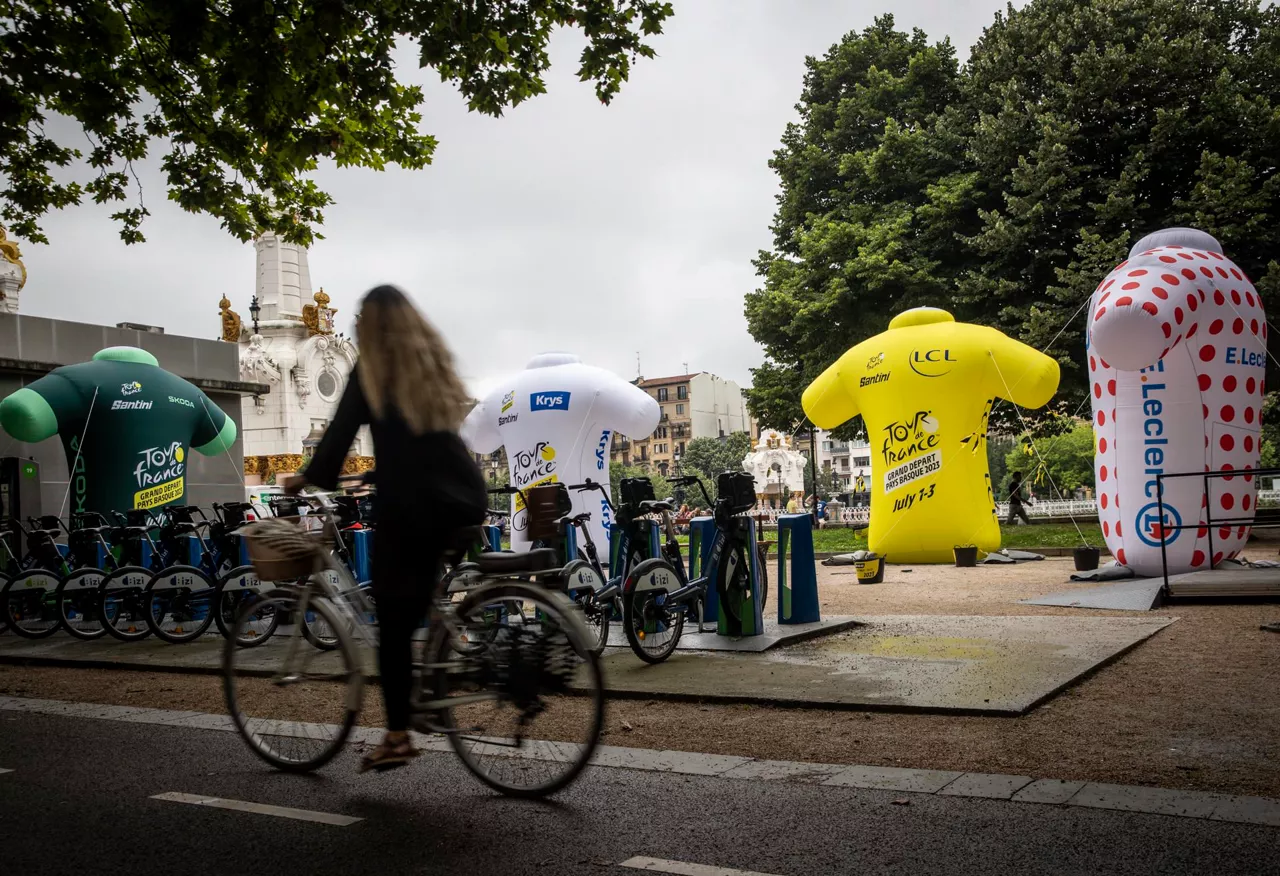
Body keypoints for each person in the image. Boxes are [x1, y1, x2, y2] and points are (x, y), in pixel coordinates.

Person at [286, 284, 486, 773]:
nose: (354, 323)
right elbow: (425, 446)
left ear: (371, 324)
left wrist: (309, 477)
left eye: (360, 316)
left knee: (393, 624)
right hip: (464, 498)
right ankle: (435, 676)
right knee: (420, 600)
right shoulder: (430, 369)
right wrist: (376, 474)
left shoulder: (373, 369)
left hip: (417, 510)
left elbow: (337, 437)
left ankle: (398, 736)